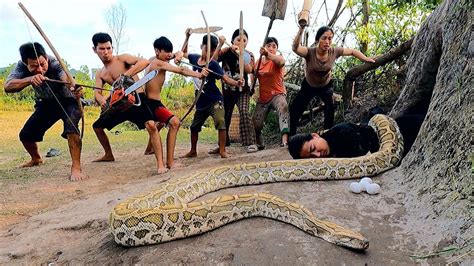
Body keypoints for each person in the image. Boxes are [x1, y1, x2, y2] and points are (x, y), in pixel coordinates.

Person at [4, 42, 87, 181]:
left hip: (69, 101)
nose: (40, 69)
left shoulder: (54, 63)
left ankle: (76, 168)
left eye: (43, 64)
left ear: (46, 58)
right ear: (26, 64)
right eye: (34, 66)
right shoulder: (21, 67)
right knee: (26, 135)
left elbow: (65, 78)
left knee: (71, 128)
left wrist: (74, 87)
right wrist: (30, 79)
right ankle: (36, 159)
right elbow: (8, 86)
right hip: (47, 104)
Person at [289, 25, 376, 135]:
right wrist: (301, 29)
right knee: (295, 109)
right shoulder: (309, 52)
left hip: (325, 86)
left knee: (330, 108)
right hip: (309, 86)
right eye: (324, 38)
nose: (327, 42)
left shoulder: (334, 51)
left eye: (330, 38)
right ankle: (291, 136)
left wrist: (365, 59)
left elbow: (352, 52)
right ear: (317, 40)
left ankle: (328, 134)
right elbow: (295, 48)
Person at [143, 36, 209, 171]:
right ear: (157, 50)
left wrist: (180, 49)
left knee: (162, 124)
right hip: (152, 103)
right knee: (175, 123)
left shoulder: (154, 59)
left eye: (169, 52)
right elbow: (181, 70)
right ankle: (170, 162)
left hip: (153, 102)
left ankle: (156, 153)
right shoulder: (157, 63)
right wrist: (199, 74)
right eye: (165, 51)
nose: (168, 55)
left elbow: (176, 54)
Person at [90, 33, 153, 164]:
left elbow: (145, 62)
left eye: (108, 48)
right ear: (94, 50)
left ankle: (159, 161)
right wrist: (102, 101)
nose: (106, 52)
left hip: (136, 98)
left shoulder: (122, 58)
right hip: (119, 104)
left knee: (151, 124)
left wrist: (124, 77)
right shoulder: (100, 74)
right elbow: (97, 93)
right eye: (102, 49)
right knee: (97, 126)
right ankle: (108, 154)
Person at [181, 33, 243, 158]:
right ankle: (193, 151)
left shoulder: (213, 64)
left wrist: (237, 82)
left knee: (221, 121)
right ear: (201, 46)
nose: (209, 52)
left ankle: (222, 150)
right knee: (194, 127)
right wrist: (187, 37)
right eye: (207, 48)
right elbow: (183, 53)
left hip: (215, 100)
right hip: (200, 102)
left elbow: (226, 78)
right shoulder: (194, 58)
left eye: (213, 50)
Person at [288, 113, 424, 159]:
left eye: (313, 149)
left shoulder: (341, 132)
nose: (317, 155)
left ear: (314, 136)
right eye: (312, 157)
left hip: (406, 129)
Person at [216, 29, 259, 153]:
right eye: (238, 40)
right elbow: (213, 60)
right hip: (227, 90)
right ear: (232, 41)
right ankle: (223, 144)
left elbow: (249, 69)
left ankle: (250, 143)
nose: (241, 42)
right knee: (225, 116)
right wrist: (220, 44)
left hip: (242, 91)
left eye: (244, 40)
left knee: (244, 112)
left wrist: (240, 55)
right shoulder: (225, 51)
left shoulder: (248, 55)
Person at [252, 37, 289, 148]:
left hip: (277, 94)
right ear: (263, 47)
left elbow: (281, 62)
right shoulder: (258, 62)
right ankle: (260, 142)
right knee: (256, 123)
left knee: (283, 107)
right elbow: (253, 75)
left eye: (274, 46)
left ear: (277, 49)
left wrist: (268, 54)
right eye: (268, 46)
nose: (271, 48)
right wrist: (252, 86)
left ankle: (285, 140)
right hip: (263, 97)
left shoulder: (277, 59)